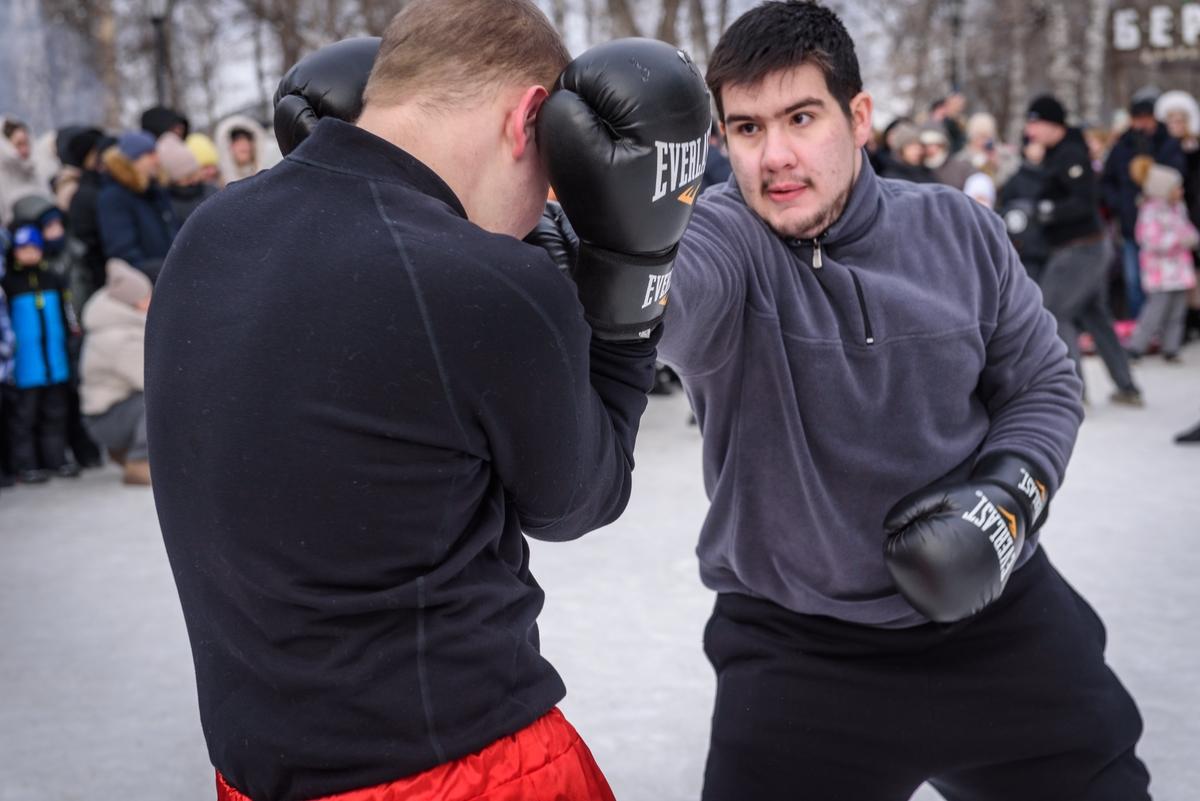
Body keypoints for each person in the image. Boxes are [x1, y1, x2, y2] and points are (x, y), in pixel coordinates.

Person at [145, 5, 710, 801]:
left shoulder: (208, 234)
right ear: (530, 119)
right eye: (555, 166)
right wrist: (629, 294)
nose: (548, 202)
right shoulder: (482, 281)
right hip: (458, 767)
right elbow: (580, 498)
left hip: (255, 771)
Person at [654, 3, 1150, 799]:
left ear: (858, 117)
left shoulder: (959, 231)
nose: (774, 156)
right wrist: (621, 246)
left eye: (801, 117)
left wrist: (1009, 496)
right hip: (800, 655)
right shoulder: (727, 239)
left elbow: (1044, 381)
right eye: (746, 128)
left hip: (1000, 626)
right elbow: (671, 298)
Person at [1027, 93, 1145, 406]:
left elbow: (1083, 201)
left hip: (1081, 248)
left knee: (1053, 313)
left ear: (1053, 124)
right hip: (1083, 247)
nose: (1030, 131)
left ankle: (1071, 394)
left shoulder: (1071, 153)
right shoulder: (1058, 152)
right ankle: (1127, 387)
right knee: (1096, 317)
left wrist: (1046, 211)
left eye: (1035, 124)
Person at [2, 225, 79, 482]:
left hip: (54, 361)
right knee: (24, 418)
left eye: (34, 248)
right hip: (25, 364)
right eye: (23, 249)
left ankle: (55, 460)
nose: (29, 253)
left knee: (55, 414)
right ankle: (26, 465)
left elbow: (67, 315)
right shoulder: (9, 283)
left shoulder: (52, 278)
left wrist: (69, 343)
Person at [1102, 96, 1185, 318]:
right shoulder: (1122, 146)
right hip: (1132, 225)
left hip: (1164, 228)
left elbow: (1177, 176)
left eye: (1146, 118)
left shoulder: (1166, 143)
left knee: (1165, 283)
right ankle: (1139, 325)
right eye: (1138, 118)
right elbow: (1107, 181)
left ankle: (1163, 326)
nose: (1142, 123)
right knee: (1134, 280)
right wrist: (1119, 204)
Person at [79, 259, 152, 485]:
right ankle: (140, 462)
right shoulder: (118, 337)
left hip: (114, 412)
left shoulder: (122, 325)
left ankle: (124, 452)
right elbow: (148, 379)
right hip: (105, 419)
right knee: (160, 401)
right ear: (135, 301)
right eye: (147, 296)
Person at [1126, 164, 1198, 361]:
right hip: (1160, 271)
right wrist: (1178, 241)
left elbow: (1187, 229)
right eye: (1177, 187)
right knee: (1155, 311)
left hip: (1180, 270)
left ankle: (1171, 347)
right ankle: (1137, 346)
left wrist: (1192, 237)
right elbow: (1149, 240)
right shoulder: (1150, 211)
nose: (1181, 191)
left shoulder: (1178, 208)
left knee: (1177, 312)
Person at [97, 131, 179, 280]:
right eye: (149, 154)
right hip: (150, 283)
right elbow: (124, 253)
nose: (157, 160)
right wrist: (167, 272)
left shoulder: (155, 190)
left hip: (169, 277)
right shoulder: (114, 197)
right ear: (133, 160)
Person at [156, 132, 218, 222]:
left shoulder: (211, 191)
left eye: (194, 174)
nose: (194, 181)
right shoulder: (168, 206)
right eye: (187, 178)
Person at [1, 118, 47, 226]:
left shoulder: (34, 168)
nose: (24, 150)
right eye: (19, 144)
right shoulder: (3, 175)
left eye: (26, 143)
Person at [214, 114, 276, 184]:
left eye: (248, 139)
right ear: (226, 146)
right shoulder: (219, 185)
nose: (244, 144)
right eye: (237, 140)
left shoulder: (272, 172)